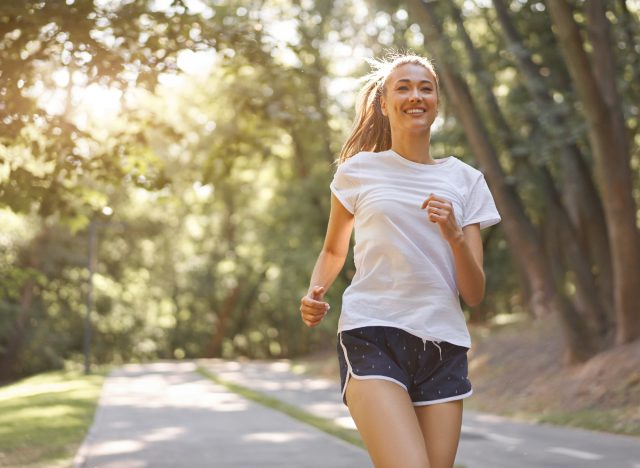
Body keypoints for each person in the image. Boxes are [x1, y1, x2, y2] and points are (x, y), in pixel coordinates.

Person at [299, 53, 501, 468]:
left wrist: (454, 236)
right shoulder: (359, 171)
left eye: (426, 88)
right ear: (385, 102)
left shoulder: (466, 180)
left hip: (443, 345)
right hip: (372, 331)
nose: (416, 95)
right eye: (403, 87)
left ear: (437, 102)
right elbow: (334, 249)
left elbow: (475, 293)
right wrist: (315, 291)